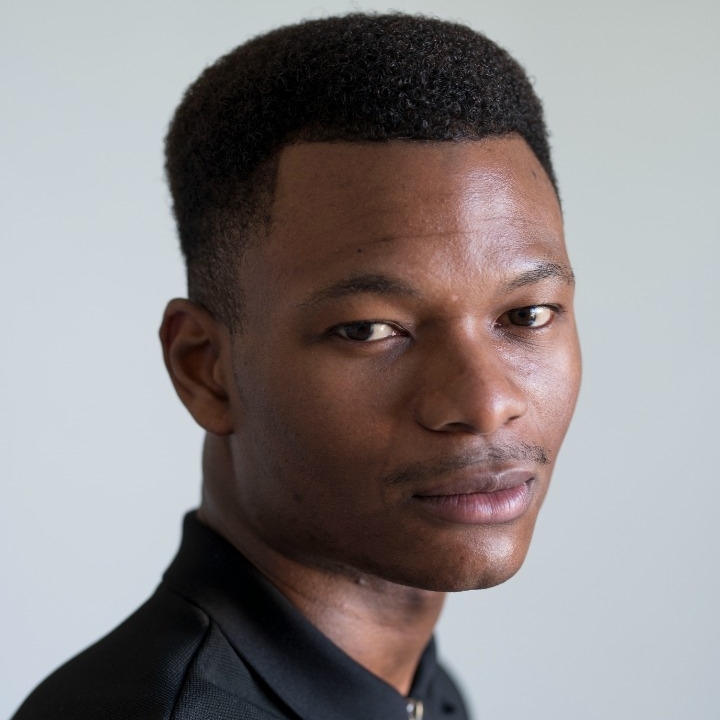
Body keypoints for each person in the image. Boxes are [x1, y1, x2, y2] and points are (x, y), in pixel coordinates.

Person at [12, 12, 581, 720]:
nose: (486, 401)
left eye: (527, 315)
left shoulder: (415, 692)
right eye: (370, 330)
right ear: (205, 368)